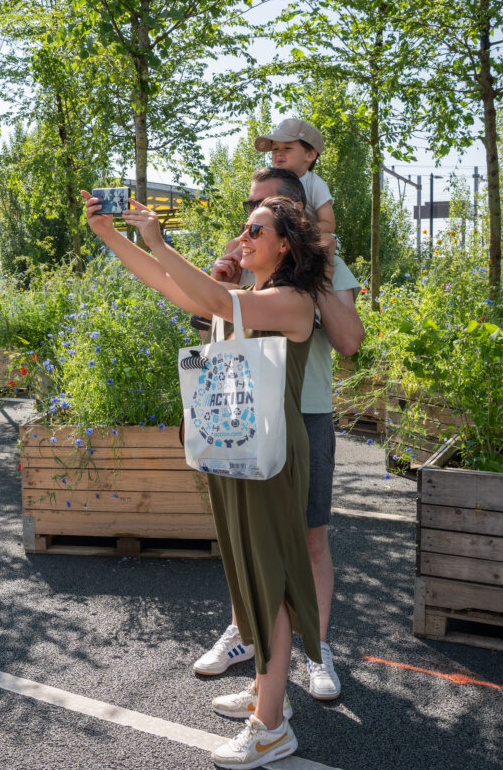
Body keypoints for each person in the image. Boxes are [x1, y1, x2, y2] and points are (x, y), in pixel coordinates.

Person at [83, 189, 327, 769]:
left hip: (268, 455)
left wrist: (160, 240)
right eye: (243, 229)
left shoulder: (294, 301)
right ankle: (269, 693)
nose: (243, 238)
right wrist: (112, 236)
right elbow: (172, 287)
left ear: (286, 246)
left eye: (257, 232)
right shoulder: (248, 297)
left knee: (269, 576)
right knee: (246, 569)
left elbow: (210, 295)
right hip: (237, 445)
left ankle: (270, 727)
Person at [193, 167, 365, 703]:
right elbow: (211, 328)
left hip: (304, 413)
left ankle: (316, 649)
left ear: (292, 216)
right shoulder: (249, 252)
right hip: (245, 410)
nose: (248, 223)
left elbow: (351, 341)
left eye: (262, 209)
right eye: (248, 207)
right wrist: (222, 282)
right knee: (252, 538)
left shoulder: (325, 266)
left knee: (309, 537)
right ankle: (248, 637)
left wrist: (312, 276)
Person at [254, 119, 336, 240]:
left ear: (310, 155)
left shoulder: (315, 184)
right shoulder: (270, 182)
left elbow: (329, 224)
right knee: (234, 243)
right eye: (275, 148)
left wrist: (298, 230)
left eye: (287, 148)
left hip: (309, 239)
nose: (279, 153)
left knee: (328, 241)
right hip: (279, 237)